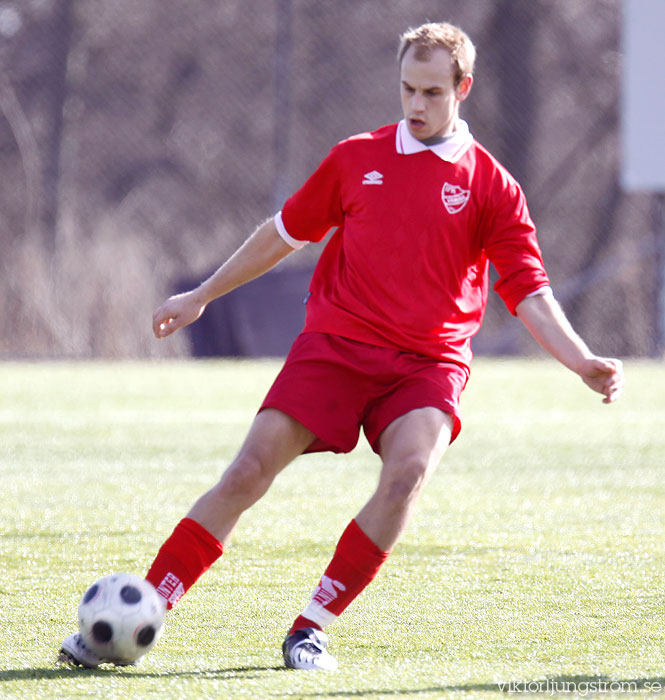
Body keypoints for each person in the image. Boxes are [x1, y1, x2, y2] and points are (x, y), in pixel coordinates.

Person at [59, 21, 624, 671]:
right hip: (337, 344)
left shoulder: (491, 186)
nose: (416, 105)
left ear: (462, 89)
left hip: (427, 364)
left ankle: (309, 628)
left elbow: (527, 290)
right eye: (407, 89)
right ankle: (144, 610)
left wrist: (579, 359)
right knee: (247, 471)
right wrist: (204, 293)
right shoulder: (357, 158)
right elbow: (282, 233)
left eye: (432, 92)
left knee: (408, 474)